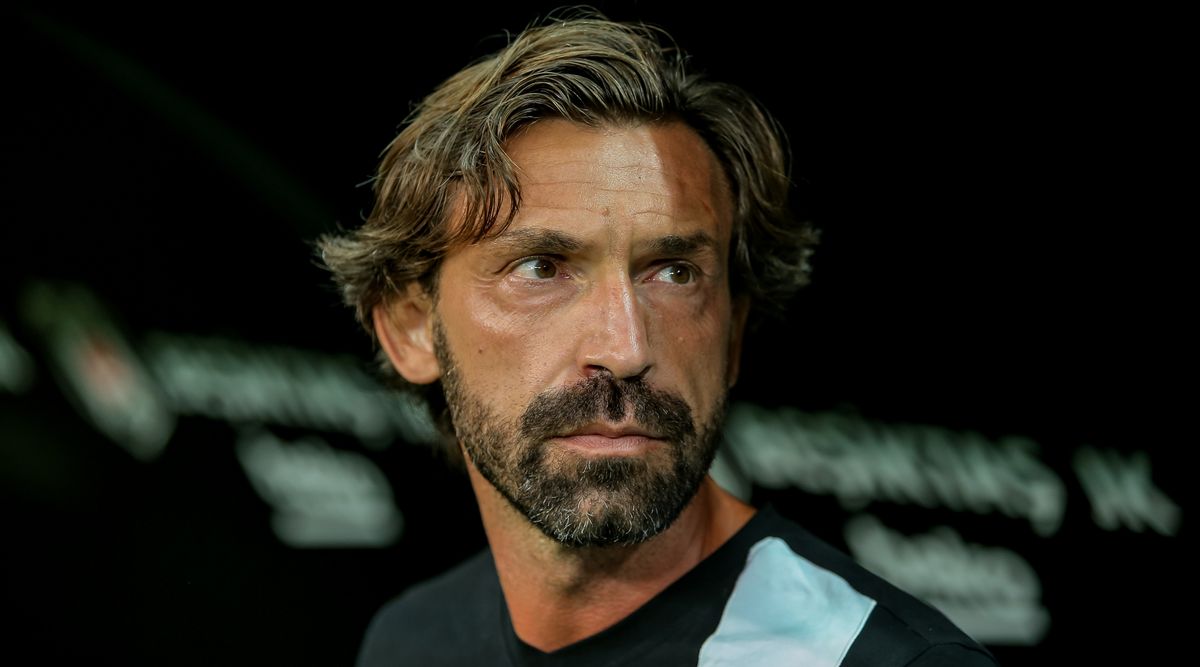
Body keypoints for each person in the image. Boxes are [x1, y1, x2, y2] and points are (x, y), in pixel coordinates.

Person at [319, 8, 1000, 666]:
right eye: (542, 267)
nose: (625, 346)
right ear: (411, 328)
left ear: (732, 333)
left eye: (674, 272)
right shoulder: (410, 640)